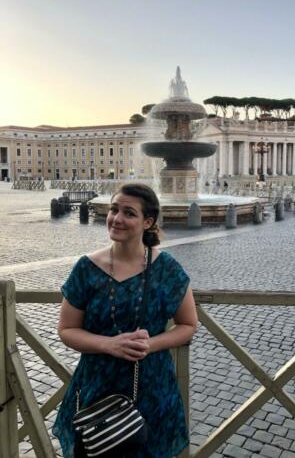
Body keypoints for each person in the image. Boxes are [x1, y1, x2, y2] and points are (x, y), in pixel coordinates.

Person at [53, 183, 197, 457]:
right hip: (97, 388)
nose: (117, 218)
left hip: (153, 388)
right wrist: (109, 345)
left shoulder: (167, 269)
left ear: (148, 222)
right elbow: (67, 329)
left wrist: (150, 345)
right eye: (114, 209)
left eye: (129, 213)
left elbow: (188, 325)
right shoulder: (86, 268)